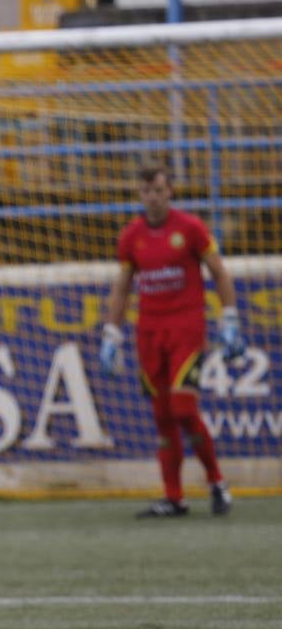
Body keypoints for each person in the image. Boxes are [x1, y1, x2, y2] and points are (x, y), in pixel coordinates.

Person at [99, 164, 247, 519]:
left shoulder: (191, 228)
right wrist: (111, 334)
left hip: (186, 330)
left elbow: (218, 272)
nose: (152, 197)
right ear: (139, 194)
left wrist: (230, 318)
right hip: (148, 332)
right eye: (146, 191)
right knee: (163, 417)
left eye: (159, 191)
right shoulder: (130, 236)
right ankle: (174, 497)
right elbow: (122, 288)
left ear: (171, 193)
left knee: (183, 409)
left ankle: (216, 481)